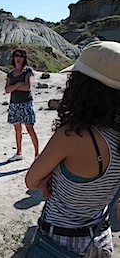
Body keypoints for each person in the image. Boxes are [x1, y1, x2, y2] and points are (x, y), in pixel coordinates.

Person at [25, 41, 120, 257]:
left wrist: (53, 175)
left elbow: (31, 181)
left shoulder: (71, 135)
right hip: (100, 239)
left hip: (61, 242)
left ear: (83, 87)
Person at [5, 49, 39, 162]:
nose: (18, 58)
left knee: (30, 128)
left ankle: (37, 154)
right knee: (17, 129)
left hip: (26, 104)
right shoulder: (10, 74)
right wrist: (19, 84)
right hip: (14, 104)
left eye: (21, 56)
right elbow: (7, 89)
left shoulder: (27, 71)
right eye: (16, 56)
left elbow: (27, 87)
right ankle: (19, 152)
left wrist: (15, 85)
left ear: (24, 58)